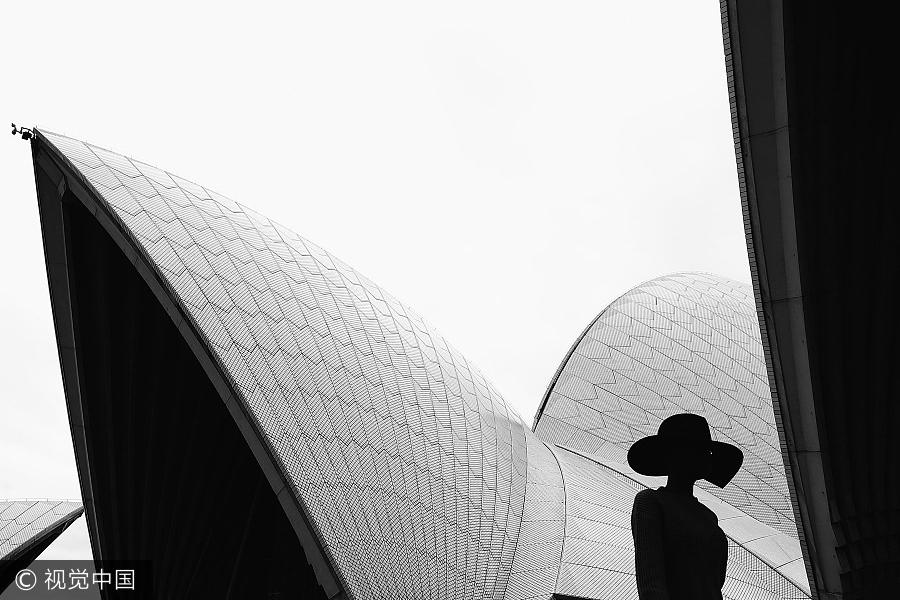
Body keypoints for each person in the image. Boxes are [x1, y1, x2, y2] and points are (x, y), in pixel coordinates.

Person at [627, 413, 744, 600]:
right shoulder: (650, 502)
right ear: (674, 455)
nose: (707, 456)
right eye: (697, 449)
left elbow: (713, 585)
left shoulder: (708, 516)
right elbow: (651, 581)